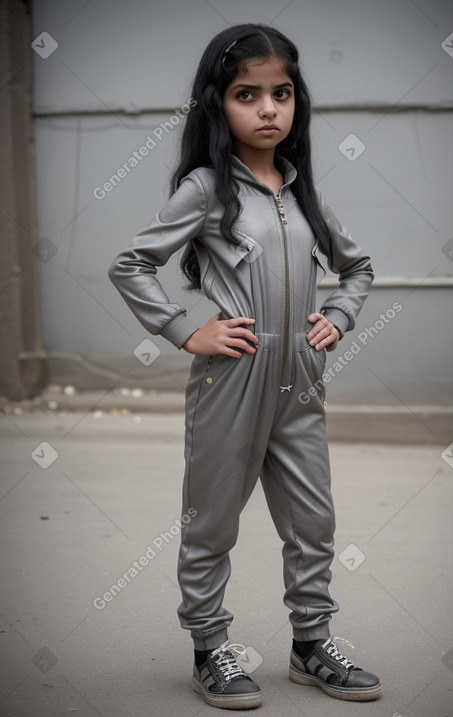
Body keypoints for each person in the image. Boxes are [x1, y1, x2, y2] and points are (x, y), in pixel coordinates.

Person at [109, 23, 381, 710]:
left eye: (281, 93)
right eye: (247, 94)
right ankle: (209, 650)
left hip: (300, 385)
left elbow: (359, 269)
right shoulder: (206, 189)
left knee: (313, 521)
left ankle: (310, 644)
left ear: (297, 102)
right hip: (230, 382)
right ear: (218, 104)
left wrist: (338, 317)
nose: (268, 108)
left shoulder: (305, 195)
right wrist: (184, 329)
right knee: (211, 523)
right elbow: (132, 263)